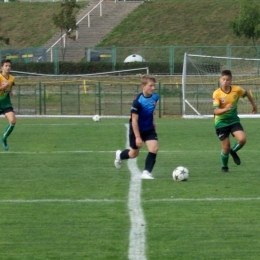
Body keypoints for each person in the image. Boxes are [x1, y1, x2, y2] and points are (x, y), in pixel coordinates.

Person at [114, 74, 159, 179]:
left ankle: (146, 172)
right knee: (133, 154)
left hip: (149, 128)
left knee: (154, 148)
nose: (153, 88)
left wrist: (153, 122)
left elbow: (150, 111)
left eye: (154, 85)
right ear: (143, 86)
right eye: (150, 86)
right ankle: (119, 155)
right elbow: (134, 120)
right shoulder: (137, 102)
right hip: (136, 129)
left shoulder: (156, 97)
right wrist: (138, 137)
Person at [213, 69, 257, 172]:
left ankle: (233, 151)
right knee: (226, 147)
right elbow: (215, 111)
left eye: (227, 80)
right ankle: (224, 167)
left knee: (242, 139)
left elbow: (247, 94)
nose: (225, 81)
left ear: (231, 80)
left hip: (233, 121)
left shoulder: (237, 90)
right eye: (223, 79)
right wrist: (225, 109)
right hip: (221, 123)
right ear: (220, 79)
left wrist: (254, 106)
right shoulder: (217, 93)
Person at [0, 59, 16, 150]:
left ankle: (4, 138)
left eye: (9, 66)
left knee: (13, 121)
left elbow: (11, 86)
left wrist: (10, 91)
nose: (8, 67)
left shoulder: (12, 78)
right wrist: (4, 87)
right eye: (6, 66)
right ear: (1, 67)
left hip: (6, 103)